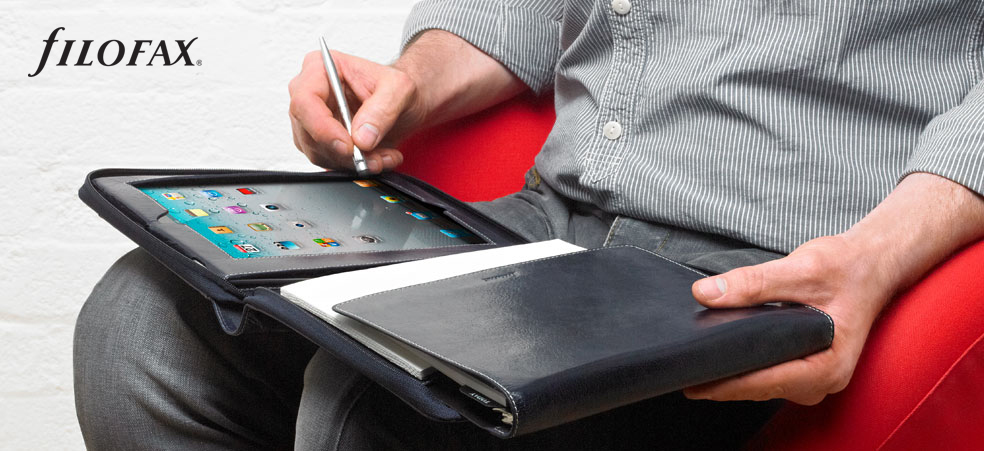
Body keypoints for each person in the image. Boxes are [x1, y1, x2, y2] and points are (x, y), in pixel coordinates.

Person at [75, 1, 984, 449]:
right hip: (547, 219)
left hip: (760, 265)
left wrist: (874, 257)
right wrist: (410, 86)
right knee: (144, 325)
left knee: (380, 403)